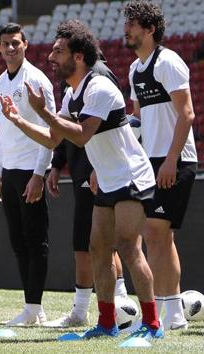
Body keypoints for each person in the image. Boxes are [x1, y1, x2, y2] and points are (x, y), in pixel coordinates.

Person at [0, 19, 163, 340]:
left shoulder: (100, 86)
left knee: (129, 248)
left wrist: (42, 111)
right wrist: (18, 119)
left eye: (59, 51)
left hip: (131, 176)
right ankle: (105, 324)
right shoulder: (74, 92)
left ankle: (152, 325)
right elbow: (51, 140)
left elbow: (80, 135)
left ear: (78, 56)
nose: (50, 57)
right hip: (106, 179)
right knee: (97, 249)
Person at [123, 0, 197, 330]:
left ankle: (164, 311)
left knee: (155, 232)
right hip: (148, 161)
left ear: (150, 29)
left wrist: (170, 160)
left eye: (133, 23)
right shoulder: (134, 69)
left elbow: (187, 113)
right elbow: (138, 118)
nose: (127, 28)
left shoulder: (168, 62)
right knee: (160, 237)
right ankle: (174, 313)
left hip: (175, 159)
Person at [43, 54, 130, 328]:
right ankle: (112, 308)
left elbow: (106, 126)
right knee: (92, 241)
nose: (52, 57)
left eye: (60, 49)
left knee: (103, 242)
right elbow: (61, 128)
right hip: (82, 165)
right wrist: (57, 164)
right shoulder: (71, 85)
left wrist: (96, 166)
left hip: (98, 167)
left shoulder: (99, 77)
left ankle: (116, 307)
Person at [0, 23, 55, 326]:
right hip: (10, 170)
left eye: (16, 43)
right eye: (5, 44)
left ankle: (31, 308)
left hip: (31, 169)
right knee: (18, 241)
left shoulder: (37, 80)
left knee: (35, 238)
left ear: (26, 44)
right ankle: (34, 309)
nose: (11, 48)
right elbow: (2, 131)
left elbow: (52, 131)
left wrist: (39, 173)